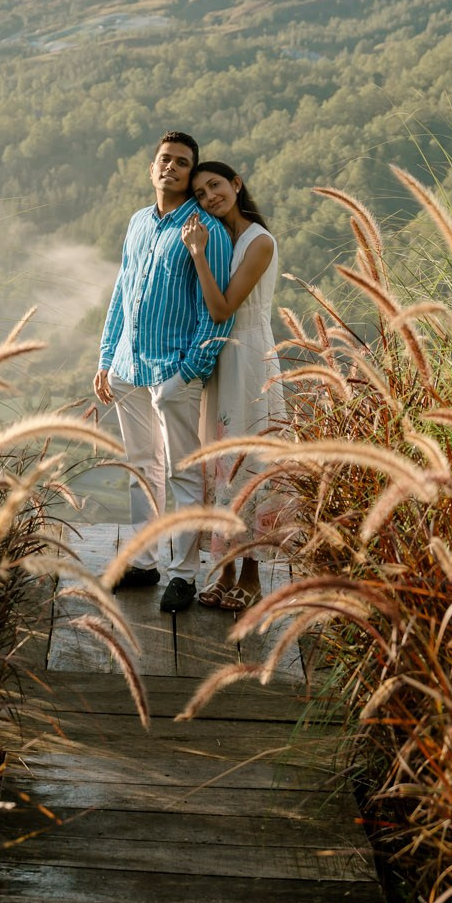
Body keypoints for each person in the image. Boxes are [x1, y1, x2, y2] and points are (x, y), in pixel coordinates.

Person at [95, 132, 236, 613]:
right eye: (164, 159)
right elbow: (122, 292)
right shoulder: (137, 222)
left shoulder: (207, 232)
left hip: (174, 372)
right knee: (141, 470)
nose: (170, 167)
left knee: (183, 474)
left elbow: (218, 313)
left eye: (181, 162)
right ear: (151, 167)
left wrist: (189, 371)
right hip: (128, 367)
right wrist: (106, 359)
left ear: (189, 172)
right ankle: (145, 561)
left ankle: (182, 575)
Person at [181, 161, 282, 612]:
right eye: (200, 193)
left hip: (250, 359)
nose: (209, 197)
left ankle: (253, 575)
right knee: (220, 461)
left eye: (215, 186)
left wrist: (198, 254)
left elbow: (223, 309)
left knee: (250, 460)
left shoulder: (259, 242)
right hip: (222, 358)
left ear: (237, 184)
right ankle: (221, 568)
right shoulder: (224, 239)